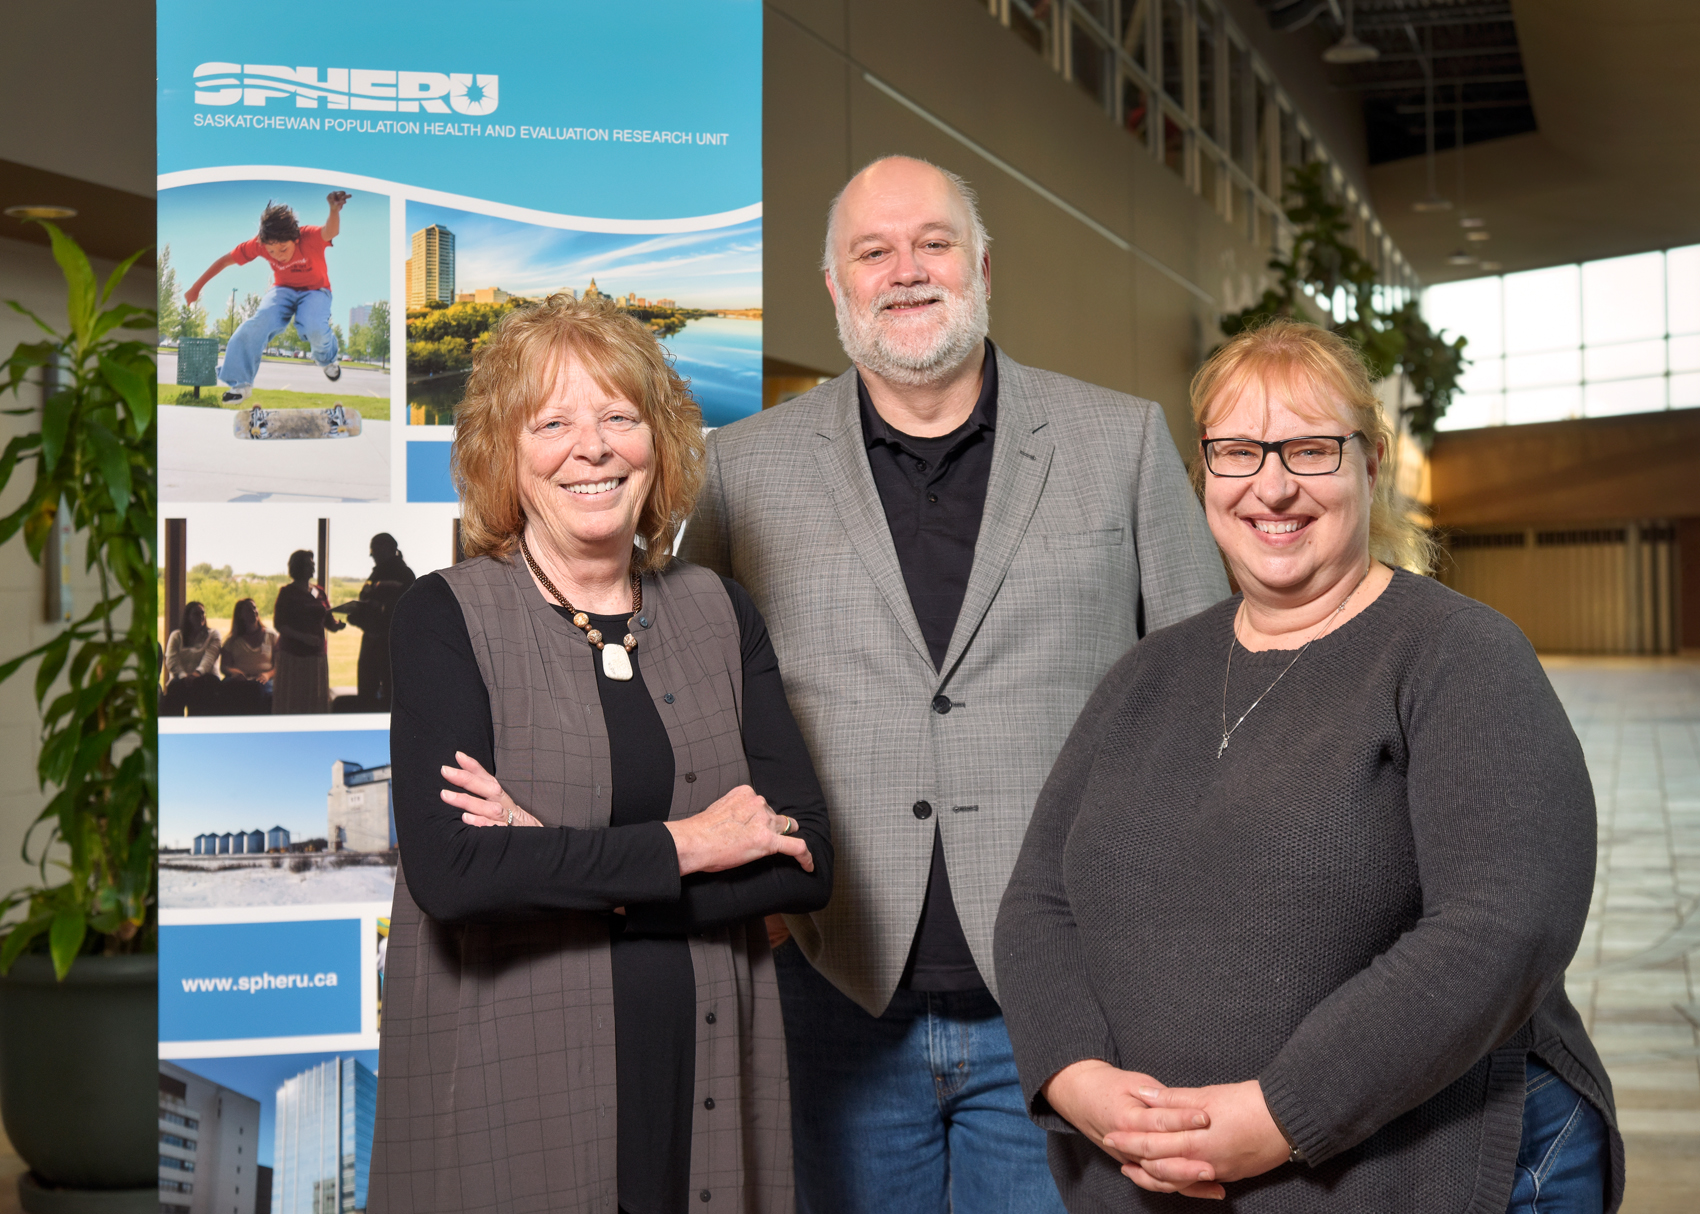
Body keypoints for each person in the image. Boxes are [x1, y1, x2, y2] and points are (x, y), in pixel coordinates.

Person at [678, 155, 1227, 1213]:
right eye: (871, 251)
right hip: (831, 995)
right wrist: (739, 892)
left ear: (980, 264)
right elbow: (691, 700)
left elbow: (1202, 703)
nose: (905, 269)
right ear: (834, 287)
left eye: (932, 241)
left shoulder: (1117, 443)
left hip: (1065, 1005)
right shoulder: (740, 470)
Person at [994, 319, 1621, 1213]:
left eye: (1311, 449)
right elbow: (1037, 903)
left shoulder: (1456, 655)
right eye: (1238, 451)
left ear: (1371, 466)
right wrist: (1078, 1078)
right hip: (1145, 1183)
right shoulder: (1147, 672)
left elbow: (1502, 923)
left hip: (1416, 1177)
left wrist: (1280, 1114)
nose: (1273, 486)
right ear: (1205, 475)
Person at [368, 293, 834, 1214]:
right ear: (505, 452)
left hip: (705, 1075)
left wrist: (551, 859)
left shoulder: (719, 610)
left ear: (658, 442)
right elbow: (457, 872)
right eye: (553, 422)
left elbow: (805, 859)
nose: (593, 447)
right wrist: (693, 845)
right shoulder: (444, 615)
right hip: (518, 1086)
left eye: (621, 417)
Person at [183, 192, 350, 406]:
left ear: (295, 239)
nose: (278, 255)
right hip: (283, 290)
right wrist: (196, 287)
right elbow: (225, 261)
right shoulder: (258, 245)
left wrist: (334, 210)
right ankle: (240, 383)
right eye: (272, 251)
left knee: (313, 326)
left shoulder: (308, 237)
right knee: (258, 322)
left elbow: (330, 231)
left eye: (284, 249)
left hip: (316, 291)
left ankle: (327, 360)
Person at [336, 533, 415, 710]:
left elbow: (402, 612)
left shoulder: (404, 575)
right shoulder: (377, 573)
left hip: (389, 645)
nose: (371, 554)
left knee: (390, 695)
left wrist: (368, 617)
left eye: (373, 549)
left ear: (387, 549)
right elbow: (368, 601)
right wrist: (357, 615)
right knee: (367, 692)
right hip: (372, 642)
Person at [271, 550, 342, 713]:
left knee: (314, 700)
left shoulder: (319, 591)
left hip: (316, 657)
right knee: (293, 700)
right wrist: (303, 637)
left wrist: (337, 625)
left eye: (313, 565)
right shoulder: (287, 593)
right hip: (293, 657)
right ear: (297, 567)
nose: (313, 568)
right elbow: (279, 624)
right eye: (309, 565)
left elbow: (328, 620)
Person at [216, 596, 276, 715]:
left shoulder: (271, 636)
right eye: (248, 610)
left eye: (254, 608)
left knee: (259, 691)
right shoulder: (232, 640)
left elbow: (279, 665)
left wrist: (267, 675)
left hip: (263, 679)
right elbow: (224, 666)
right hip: (241, 679)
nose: (253, 611)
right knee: (224, 690)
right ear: (240, 615)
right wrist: (234, 672)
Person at [160, 601, 221, 716]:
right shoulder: (176, 635)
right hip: (182, 678)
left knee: (202, 688)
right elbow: (171, 659)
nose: (201, 616)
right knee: (174, 687)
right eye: (196, 614)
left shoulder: (213, 635)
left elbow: (210, 657)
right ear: (188, 617)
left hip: (206, 677)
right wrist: (184, 676)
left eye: (202, 613)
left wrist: (197, 673)